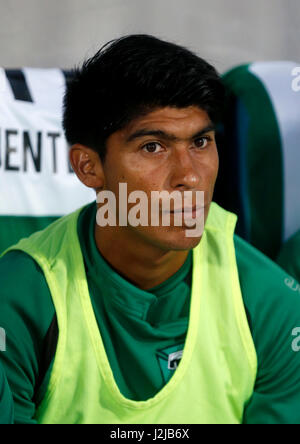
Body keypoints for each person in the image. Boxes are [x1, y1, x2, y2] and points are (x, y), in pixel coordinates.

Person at [1, 34, 300, 424]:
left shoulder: (269, 301)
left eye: (201, 141)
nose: (190, 177)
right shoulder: (20, 300)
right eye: (153, 147)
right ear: (88, 167)